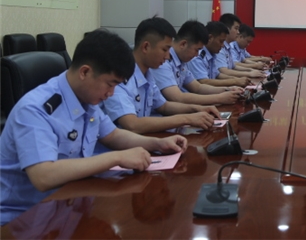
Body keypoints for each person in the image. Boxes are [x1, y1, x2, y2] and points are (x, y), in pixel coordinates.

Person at [0, 30, 188, 225]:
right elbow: (44, 175)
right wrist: (116, 157)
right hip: (23, 220)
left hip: (68, 206)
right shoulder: (36, 109)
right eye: (110, 84)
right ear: (85, 72)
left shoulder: (86, 99)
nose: (111, 93)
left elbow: (113, 135)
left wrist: (158, 143)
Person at [102, 17, 223, 134]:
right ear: (146, 47)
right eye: (165, 50)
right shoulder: (120, 77)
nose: (167, 56)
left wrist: (197, 109)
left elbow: (164, 106)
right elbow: (132, 124)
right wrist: (187, 119)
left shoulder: (147, 74)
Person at [150, 20, 243, 105]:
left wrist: (227, 90)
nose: (196, 55)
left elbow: (197, 87)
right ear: (183, 44)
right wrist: (219, 98)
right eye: (196, 50)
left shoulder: (182, 60)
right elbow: (177, 97)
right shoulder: (162, 62)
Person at [187, 21, 250, 87]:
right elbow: (203, 82)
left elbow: (217, 75)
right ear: (210, 38)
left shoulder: (212, 53)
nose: (222, 45)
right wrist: (235, 81)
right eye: (221, 41)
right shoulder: (198, 56)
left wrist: (237, 79)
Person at [216, 13, 265, 79]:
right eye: (236, 29)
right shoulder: (219, 47)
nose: (238, 32)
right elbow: (224, 71)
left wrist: (251, 70)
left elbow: (234, 65)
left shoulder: (228, 46)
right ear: (226, 29)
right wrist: (249, 73)